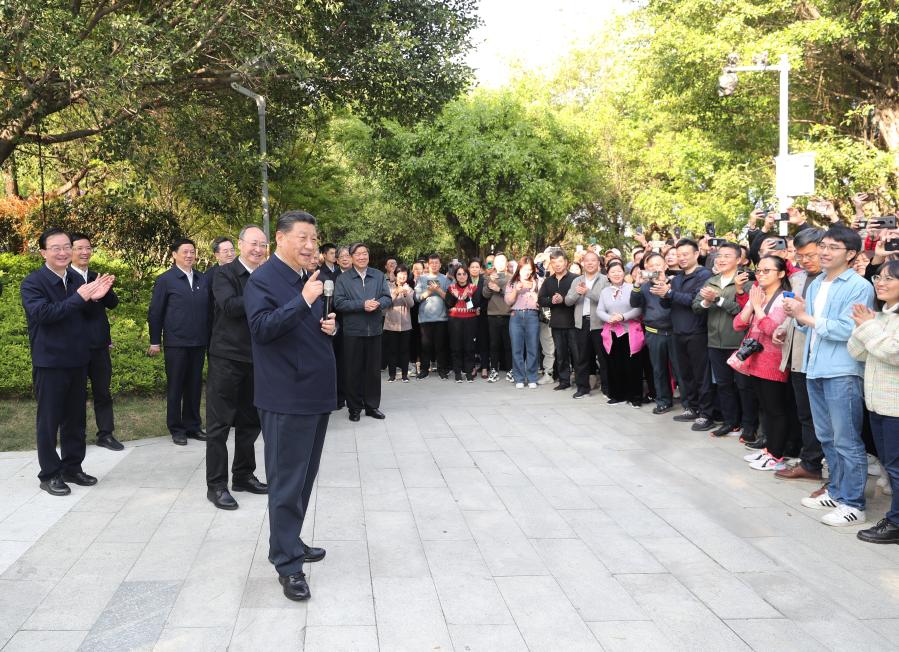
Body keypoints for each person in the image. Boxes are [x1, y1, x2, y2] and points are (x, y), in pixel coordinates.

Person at [244, 210, 337, 602]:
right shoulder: (262, 280)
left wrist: (328, 326)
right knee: (285, 481)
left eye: (314, 238)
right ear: (280, 238)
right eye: (303, 237)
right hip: (285, 396)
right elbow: (263, 329)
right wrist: (303, 300)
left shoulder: (307, 279)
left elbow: (300, 325)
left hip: (314, 391)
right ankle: (287, 564)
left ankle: (290, 541)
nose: (311, 245)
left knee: (304, 477)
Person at [786, 226, 875, 526]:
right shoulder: (816, 283)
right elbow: (808, 325)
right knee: (826, 435)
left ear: (851, 254)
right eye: (823, 245)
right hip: (815, 368)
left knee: (846, 439)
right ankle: (836, 491)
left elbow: (850, 329)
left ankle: (853, 503)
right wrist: (796, 316)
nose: (824, 252)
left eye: (833, 247)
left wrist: (805, 317)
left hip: (843, 370)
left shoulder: (859, 286)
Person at [21, 228, 115, 495]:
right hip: (50, 362)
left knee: (76, 419)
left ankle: (72, 467)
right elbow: (44, 314)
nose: (63, 252)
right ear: (43, 252)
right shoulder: (33, 283)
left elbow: (86, 311)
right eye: (56, 248)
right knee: (49, 421)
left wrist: (97, 297)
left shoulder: (75, 279)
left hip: (78, 359)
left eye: (66, 247)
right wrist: (81, 297)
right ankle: (49, 473)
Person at [205, 225, 269, 511]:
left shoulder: (267, 275)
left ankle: (243, 475)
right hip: (227, 358)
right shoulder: (224, 273)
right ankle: (216, 486)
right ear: (241, 244)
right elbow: (230, 306)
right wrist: (264, 295)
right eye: (253, 243)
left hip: (258, 359)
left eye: (263, 245)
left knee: (251, 422)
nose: (258, 249)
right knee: (219, 425)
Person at [850, 260, 899, 543]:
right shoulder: (879, 317)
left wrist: (869, 329)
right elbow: (857, 352)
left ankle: (895, 523)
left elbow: (893, 353)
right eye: (879, 277)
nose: (880, 282)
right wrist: (864, 326)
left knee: (896, 467)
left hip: (895, 407)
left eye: (889, 278)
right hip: (878, 402)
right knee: (890, 466)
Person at [773, 227, 827, 480]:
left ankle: (820, 463)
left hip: (822, 358)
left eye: (810, 254)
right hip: (796, 356)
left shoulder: (831, 281)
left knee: (823, 417)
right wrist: (781, 330)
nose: (805, 260)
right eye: (800, 255)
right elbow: (791, 314)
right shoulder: (796, 279)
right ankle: (810, 462)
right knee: (804, 413)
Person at [147, 238, 210, 446]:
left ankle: (193, 426)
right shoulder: (166, 280)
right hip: (176, 342)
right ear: (174, 255)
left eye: (192, 251)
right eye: (185, 252)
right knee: (176, 386)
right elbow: (156, 312)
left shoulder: (202, 279)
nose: (189, 255)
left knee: (194, 385)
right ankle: (176, 428)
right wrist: (155, 341)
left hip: (199, 342)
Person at [735, 256, 792, 470]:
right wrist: (752, 304)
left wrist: (757, 307)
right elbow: (738, 324)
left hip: (774, 360)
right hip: (755, 359)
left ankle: (777, 455)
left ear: (781, 273)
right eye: (759, 271)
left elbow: (772, 329)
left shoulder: (784, 299)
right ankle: (769, 449)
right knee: (765, 408)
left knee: (775, 409)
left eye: (767, 271)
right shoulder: (759, 296)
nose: (761, 274)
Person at [69, 233, 123, 451]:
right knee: (75, 395)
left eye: (88, 248)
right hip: (74, 346)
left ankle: (106, 434)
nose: (84, 252)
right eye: (79, 248)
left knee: (103, 392)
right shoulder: (65, 279)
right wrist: (87, 297)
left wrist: (103, 292)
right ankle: (75, 436)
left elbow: (113, 304)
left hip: (99, 345)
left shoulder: (95, 275)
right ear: (69, 250)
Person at [692, 242, 752, 437]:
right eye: (720, 255)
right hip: (714, 341)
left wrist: (718, 300)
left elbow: (745, 312)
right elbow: (696, 307)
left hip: (739, 342)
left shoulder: (746, 281)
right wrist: (706, 301)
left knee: (743, 386)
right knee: (723, 384)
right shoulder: (712, 280)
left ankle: (749, 425)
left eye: (727, 255)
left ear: (739, 259)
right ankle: (730, 422)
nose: (722, 259)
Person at [660, 239, 715, 430]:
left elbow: (694, 300)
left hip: (697, 331)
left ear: (696, 254)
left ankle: (707, 413)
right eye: (679, 255)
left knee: (701, 374)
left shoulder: (704, 275)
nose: (681, 258)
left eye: (685, 254)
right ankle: (691, 407)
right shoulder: (677, 278)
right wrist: (663, 294)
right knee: (685, 374)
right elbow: (669, 304)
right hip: (678, 331)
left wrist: (669, 294)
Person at [334, 242, 392, 421]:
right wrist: (362, 304)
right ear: (351, 257)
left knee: (373, 371)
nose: (361, 256)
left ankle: (372, 406)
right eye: (357, 254)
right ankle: (354, 408)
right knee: (353, 371)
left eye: (364, 253)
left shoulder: (378, 275)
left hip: (374, 330)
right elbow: (339, 302)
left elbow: (387, 298)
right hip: (353, 332)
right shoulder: (343, 279)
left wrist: (378, 304)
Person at [631, 252, 677, 414]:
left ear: (665, 266)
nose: (656, 268)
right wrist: (636, 284)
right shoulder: (644, 286)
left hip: (675, 333)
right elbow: (634, 303)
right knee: (659, 370)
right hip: (654, 333)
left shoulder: (675, 283)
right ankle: (663, 401)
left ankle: (689, 403)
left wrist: (667, 288)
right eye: (651, 266)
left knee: (680, 370)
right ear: (646, 269)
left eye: (659, 264)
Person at [596, 260, 644, 407]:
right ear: (608, 276)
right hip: (612, 332)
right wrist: (609, 318)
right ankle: (617, 394)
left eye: (619, 271)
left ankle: (635, 396)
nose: (616, 274)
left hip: (631, 331)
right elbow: (599, 310)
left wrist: (623, 317)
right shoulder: (605, 292)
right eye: (613, 272)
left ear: (624, 273)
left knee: (633, 365)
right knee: (614, 364)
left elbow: (639, 308)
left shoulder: (632, 288)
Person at [565, 250, 609, 399]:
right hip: (581, 323)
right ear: (583, 263)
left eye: (593, 260)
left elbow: (606, 300)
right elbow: (568, 301)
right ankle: (582, 388)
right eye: (587, 261)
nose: (590, 263)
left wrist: (587, 292)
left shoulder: (605, 280)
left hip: (599, 324)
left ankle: (607, 388)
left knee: (603, 358)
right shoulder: (576, 280)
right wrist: (578, 293)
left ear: (598, 263)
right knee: (581, 358)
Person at [538, 249, 579, 391]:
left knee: (577, 354)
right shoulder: (548, 281)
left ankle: (580, 381)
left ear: (566, 262)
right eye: (554, 262)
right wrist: (552, 300)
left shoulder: (575, 278)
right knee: (561, 354)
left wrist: (563, 299)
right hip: (556, 323)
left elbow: (579, 298)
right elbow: (541, 299)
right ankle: (564, 381)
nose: (557, 265)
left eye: (560, 261)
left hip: (574, 323)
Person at [505, 256, 541, 388]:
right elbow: (508, 301)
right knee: (517, 348)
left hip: (532, 315)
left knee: (532, 348)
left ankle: (532, 377)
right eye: (525, 269)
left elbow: (542, 301)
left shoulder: (537, 282)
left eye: (530, 270)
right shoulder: (512, 282)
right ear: (519, 268)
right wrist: (516, 290)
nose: (527, 272)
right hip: (516, 316)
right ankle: (519, 377)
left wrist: (536, 297)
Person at [415, 254, 451, 379]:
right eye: (432, 263)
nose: (434, 265)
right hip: (425, 317)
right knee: (425, 346)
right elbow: (417, 298)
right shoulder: (421, 279)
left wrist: (439, 290)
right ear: (428, 265)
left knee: (441, 346)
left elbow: (449, 299)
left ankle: (442, 370)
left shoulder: (445, 279)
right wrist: (429, 291)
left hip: (441, 317)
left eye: (437, 263)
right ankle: (424, 370)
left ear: (440, 265)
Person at [445, 264, 481, 382]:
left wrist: (466, 299)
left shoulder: (473, 288)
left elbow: (475, 305)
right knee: (456, 347)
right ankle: (457, 373)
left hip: (470, 321)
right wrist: (456, 296)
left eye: (464, 274)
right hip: (455, 321)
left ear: (467, 275)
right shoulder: (451, 288)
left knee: (469, 347)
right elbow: (448, 304)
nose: (461, 276)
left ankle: (469, 372)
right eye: (459, 274)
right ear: (455, 276)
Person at [482, 253, 513, 382]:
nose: (500, 264)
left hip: (508, 315)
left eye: (502, 261)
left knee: (508, 345)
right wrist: (492, 283)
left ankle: (510, 370)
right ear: (494, 264)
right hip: (493, 316)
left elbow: (512, 294)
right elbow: (485, 294)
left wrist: (499, 289)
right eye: (497, 262)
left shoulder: (512, 278)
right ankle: (493, 370)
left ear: (506, 264)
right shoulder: (489, 278)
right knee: (494, 344)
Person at [384, 265, 414, 382]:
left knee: (404, 350)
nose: (403, 276)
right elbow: (386, 304)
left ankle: (404, 375)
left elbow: (411, 304)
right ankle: (392, 375)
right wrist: (396, 293)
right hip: (391, 325)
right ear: (396, 275)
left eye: (405, 274)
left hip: (406, 325)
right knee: (392, 351)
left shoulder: (409, 288)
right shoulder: (388, 287)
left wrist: (405, 294)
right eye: (400, 274)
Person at [469, 259, 491, 379]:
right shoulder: (465, 280)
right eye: (472, 267)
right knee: (471, 342)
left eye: (477, 267)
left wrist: (480, 309)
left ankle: (484, 367)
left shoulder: (484, 280)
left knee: (483, 341)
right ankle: (472, 367)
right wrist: (472, 309)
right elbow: (465, 297)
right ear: (469, 269)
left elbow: (487, 297)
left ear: (480, 269)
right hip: (469, 314)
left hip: (483, 314)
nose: (474, 269)